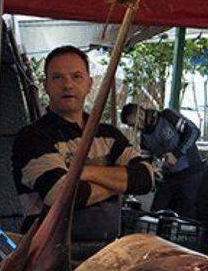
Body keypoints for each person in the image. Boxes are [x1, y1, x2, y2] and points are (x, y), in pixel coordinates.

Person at [12, 45, 154, 245]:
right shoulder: (32, 138)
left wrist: (85, 172)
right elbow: (61, 195)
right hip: (47, 258)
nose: (68, 85)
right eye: (57, 77)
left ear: (89, 83)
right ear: (45, 85)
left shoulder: (109, 135)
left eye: (76, 76)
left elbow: (146, 178)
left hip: (106, 253)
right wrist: (120, 184)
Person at [120, 102, 203, 216]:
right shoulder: (144, 138)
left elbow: (194, 132)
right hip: (170, 177)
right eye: (133, 126)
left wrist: (176, 154)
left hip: (190, 172)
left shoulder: (167, 116)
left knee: (187, 216)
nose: (137, 127)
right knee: (156, 213)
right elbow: (147, 160)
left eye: (136, 123)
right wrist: (151, 171)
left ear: (141, 114)